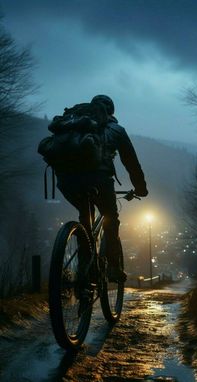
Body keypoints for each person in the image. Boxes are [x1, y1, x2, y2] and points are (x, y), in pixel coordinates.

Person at [55, 95, 148, 281]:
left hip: (67, 181)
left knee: (85, 221)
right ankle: (113, 267)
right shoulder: (116, 130)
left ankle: (84, 272)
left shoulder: (73, 125)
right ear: (111, 112)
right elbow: (131, 162)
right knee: (110, 218)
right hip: (99, 181)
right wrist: (140, 188)